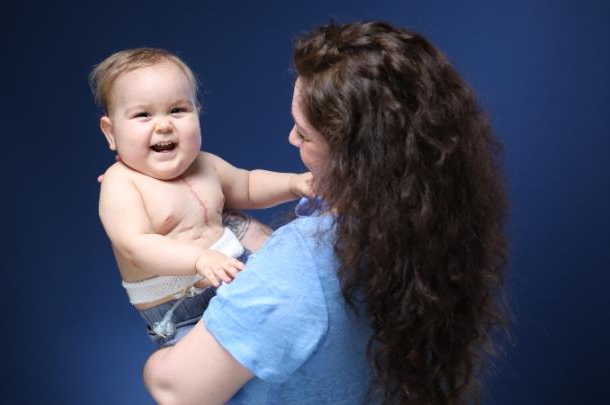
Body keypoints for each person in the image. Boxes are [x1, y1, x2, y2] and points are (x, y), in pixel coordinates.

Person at [143, 21, 508, 404]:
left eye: (304, 134)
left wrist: (157, 363)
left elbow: (176, 391)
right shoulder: (425, 225)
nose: (291, 138)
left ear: (354, 158)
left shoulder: (300, 265)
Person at [91, 48, 313, 347]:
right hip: (181, 312)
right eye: (143, 115)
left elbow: (247, 185)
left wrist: (293, 183)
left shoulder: (205, 164)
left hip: (231, 280)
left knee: (285, 328)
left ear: (197, 111)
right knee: (203, 371)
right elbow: (136, 245)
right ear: (111, 132)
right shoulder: (122, 183)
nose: (164, 124)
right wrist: (198, 259)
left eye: (178, 110)